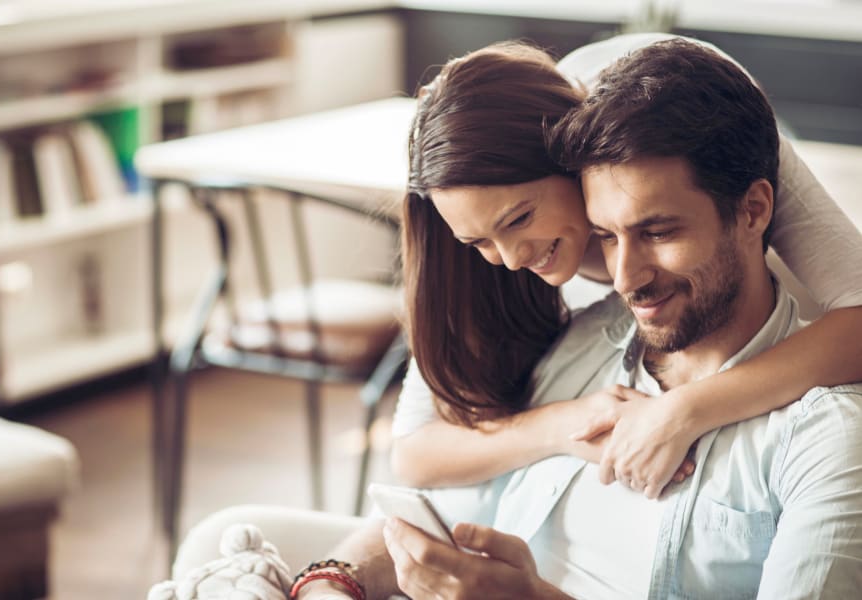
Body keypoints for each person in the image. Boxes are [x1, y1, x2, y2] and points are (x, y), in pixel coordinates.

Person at [290, 37, 862, 599]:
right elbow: (425, 474)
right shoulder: (573, 345)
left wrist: (686, 409)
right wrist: (332, 580)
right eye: (606, 237)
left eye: (657, 231)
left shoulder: (817, 439)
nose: (623, 279)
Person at [391, 33, 862, 499]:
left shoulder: (684, 113)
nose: (511, 260)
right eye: (477, 241)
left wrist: (686, 410)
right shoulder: (470, 208)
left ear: (573, 158)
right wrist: (560, 425)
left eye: (520, 218)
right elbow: (413, 452)